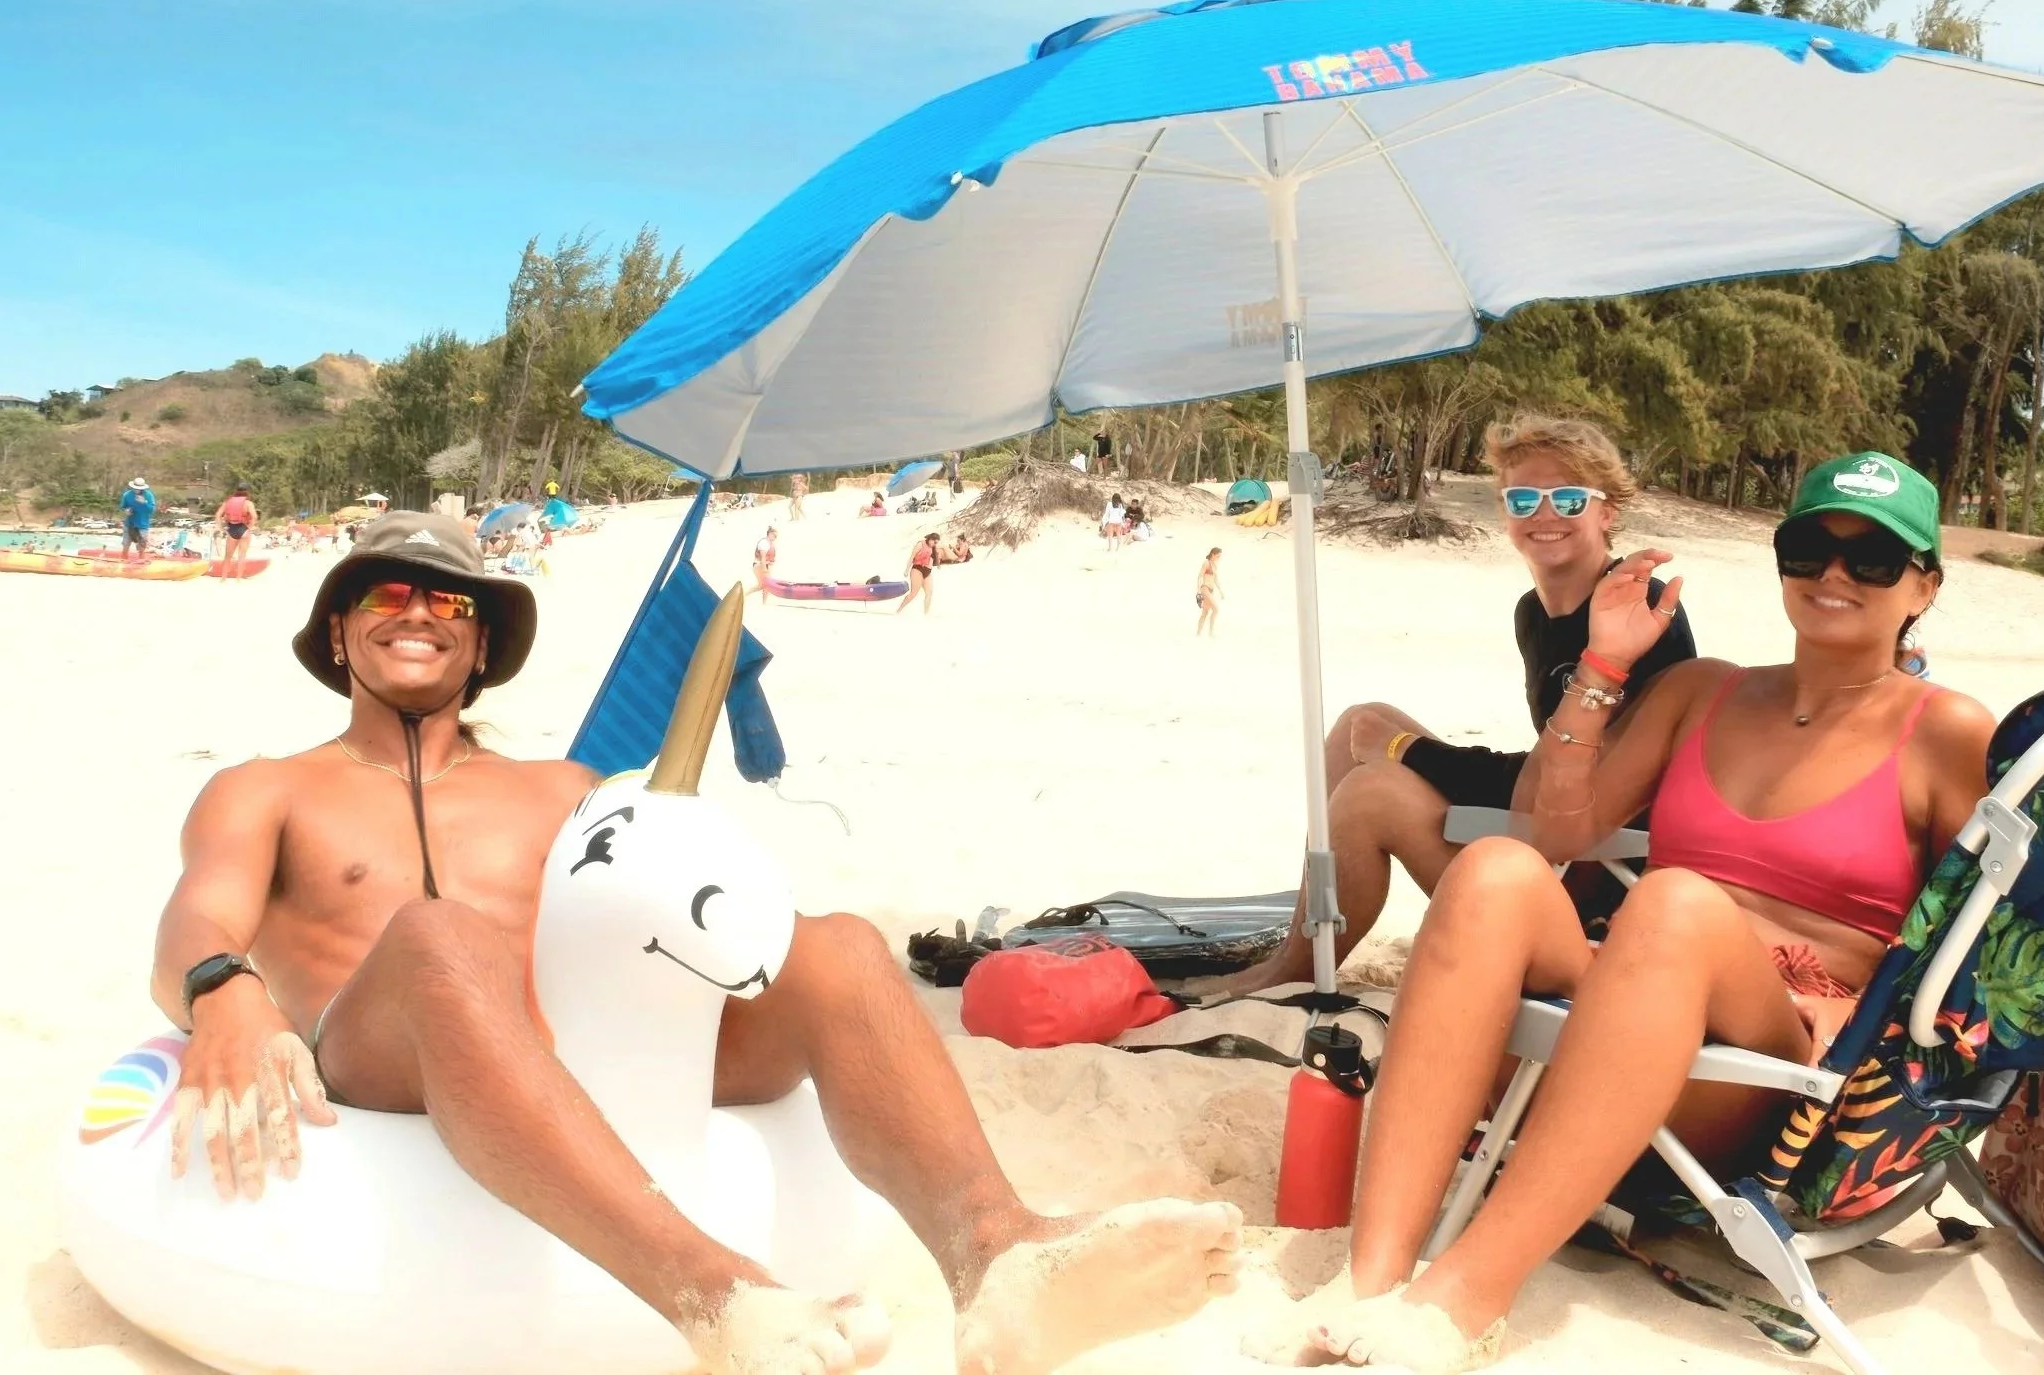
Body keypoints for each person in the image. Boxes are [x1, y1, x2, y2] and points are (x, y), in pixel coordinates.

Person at [153, 516, 1241, 1373]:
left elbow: (673, 931)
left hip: (574, 1064)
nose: (419, 612)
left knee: (841, 946)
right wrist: (222, 988)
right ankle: (716, 1295)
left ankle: (998, 1256)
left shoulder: (566, 790)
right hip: (382, 1061)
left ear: (481, 641)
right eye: (387, 593)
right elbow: (197, 917)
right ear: (337, 629)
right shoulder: (268, 785)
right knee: (441, 936)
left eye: (450, 599)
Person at [1263, 452, 1988, 1371]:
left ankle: (1462, 1299)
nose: (1834, 575)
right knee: (1494, 870)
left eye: (1874, 559)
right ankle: (1369, 1276)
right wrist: (1605, 659)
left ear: (1923, 585)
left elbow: (1982, 936)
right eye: (1809, 549)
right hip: (1631, 994)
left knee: (1674, 901)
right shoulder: (1705, 689)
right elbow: (1560, 828)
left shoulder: (1950, 729)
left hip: (1770, 1066)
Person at [1226, 416, 1696, 997]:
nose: (1544, 515)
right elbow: (1551, 757)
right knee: (1359, 719)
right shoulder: (1534, 612)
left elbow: (1593, 783)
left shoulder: (1639, 614)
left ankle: (1294, 972)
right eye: (1524, 498)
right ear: (1504, 510)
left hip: (1596, 879)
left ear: (1607, 513)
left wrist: (1406, 752)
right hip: (1549, 837)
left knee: (1371, 792)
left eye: (1569, 498)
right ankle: (1301, 947)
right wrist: (1407, 749)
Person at [217, 485, 257, 579]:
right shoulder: (248, 503)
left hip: (231, 528)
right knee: (241, 557)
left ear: (236, 491)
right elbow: (254, 517)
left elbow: (218, 515)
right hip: (243, 529)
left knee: (227, 557)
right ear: (247, 492)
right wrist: (249, 528)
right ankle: (238, 579)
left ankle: (223, 579)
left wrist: (221, 528)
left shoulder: (228, 502)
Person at [898, 532, 940, 616]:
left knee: (929, 593)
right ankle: (899, 610)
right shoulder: (920, 544)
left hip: (927, 571)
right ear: (930, 539)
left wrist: (938, 563)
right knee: (914, 593)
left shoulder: (933, 547)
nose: (935, 544)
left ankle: (926, 614)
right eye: (934, 542)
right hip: (917, 569)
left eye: (936, 543)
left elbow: (935, 556)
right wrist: (906, 570)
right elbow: (912, 557)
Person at [120, 477, 157, 563]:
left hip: (143, 524)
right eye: (135, 488)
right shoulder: (127, 495)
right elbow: (123, 506)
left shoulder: (149, 495)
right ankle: (123, 559)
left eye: (139, 489)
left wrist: (144, 503)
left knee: (142, 544)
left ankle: (141, 560)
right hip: (130, 523)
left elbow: (151, 510)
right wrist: (126, 510)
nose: (136, 490)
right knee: (126, 543)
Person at [1195, 548, 1223, 637]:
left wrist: (1221, 591)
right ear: (1213, 554)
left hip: (1211, 591)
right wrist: (1199, 590)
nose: (1219, 558)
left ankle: (1198, 634)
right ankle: (1211, 633)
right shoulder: (1206, 563)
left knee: (1205, 612)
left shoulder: (1214, 565)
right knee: (1216, 609)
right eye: (1218, 556)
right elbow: (1200, 576)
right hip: (1205, 588)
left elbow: (1216, 579)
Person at [753, 527, 779, 596]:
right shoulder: (764, 543)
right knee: (763, 585)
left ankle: (764, 603)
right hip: (760, 565)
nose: (775, 538)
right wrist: (764, 568)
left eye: (776, 536)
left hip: (764, 565)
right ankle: (744, 594)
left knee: (765, 586)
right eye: (774, 536)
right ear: (769, 534)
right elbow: (763, 557)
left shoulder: (768, 543)